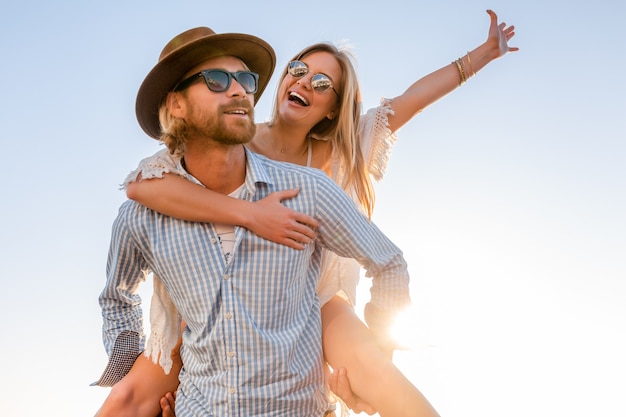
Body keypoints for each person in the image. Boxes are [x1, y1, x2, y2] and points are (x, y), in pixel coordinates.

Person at [93, 26, 419, 417]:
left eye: (245, 80)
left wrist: (477, 59)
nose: (238, 90)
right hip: (199, 345)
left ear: (333, 106)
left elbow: (388, 261)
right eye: (215, 80)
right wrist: (133, 364)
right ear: (176, 104)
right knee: (124, 402)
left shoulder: (312, 182)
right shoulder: (154, 200)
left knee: (380, 377)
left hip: (318, 301)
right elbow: (137, 198)